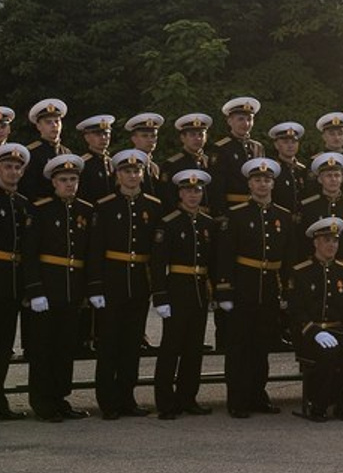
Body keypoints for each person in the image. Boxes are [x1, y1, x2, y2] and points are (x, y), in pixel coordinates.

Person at [87, 148, 165, 419]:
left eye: (136, 171)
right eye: (126, 171)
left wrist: (158, 289)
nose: (132, 175)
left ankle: (127, 398)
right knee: (109, 345)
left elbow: (156, 253)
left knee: (132, 346)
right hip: (111, 282)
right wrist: (95, 286)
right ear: (117, 175)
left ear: (142, 174)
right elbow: (95, 249)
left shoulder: (153, 206)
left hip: (138, 284)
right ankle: (108, 402)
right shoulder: (105, 205)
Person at [214, 156, 293, 418]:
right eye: (257, 180)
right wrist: (224, 289)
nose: (262, 184)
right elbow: (224, 255)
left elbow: (287, 259)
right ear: (249, 184)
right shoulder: (236, 215)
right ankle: (237, 400)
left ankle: (258, 395)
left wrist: (287, 290)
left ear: (273, 183)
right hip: (243, 287)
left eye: (267, 180)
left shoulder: (283, 216)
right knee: (238, 348)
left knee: (261, 347)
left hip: (269, 288)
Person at [21, 152, 92, 421]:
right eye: (64, 180)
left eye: (73, 179)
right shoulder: (40, 210)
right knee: (43, 348)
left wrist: (86, 290)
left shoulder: (85, 211)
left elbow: (87, 254)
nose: (70, 184)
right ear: (54, 182)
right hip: (47, 290)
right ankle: (42, 402)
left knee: (65, 347)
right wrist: (35, 290)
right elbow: (30, 254)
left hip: (72, 289)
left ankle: (60, 398)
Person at [149, 167, 216, 419]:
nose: (193, 195)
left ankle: (188, 397)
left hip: (199, 290)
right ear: (180, 193)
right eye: (188, 190)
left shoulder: (208, 223)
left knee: (193, 349)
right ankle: (166, 403)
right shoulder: (169, 223)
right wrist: (160, 296)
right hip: (177, 289)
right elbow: (158, 263)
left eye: (197, 190)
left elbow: (213, 261)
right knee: (171, 348)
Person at [289, 217, 343, 422]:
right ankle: (318, 404)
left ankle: (342, 402)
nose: (331, 245)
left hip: (337, 330)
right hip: (310, 333)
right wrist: (314, 331)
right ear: (316, 243)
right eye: (326, 240)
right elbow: (296, 311)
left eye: (335, 241)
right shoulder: (301, 272)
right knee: (327, 351)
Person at [0, 142, 30, 419]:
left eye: (17, 167)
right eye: (7, 166)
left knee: (5, 343)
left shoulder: (22, 204)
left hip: (14, 281)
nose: (12, 171)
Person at [208, 96, 264, 216]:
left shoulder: (257, 147)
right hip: (232, 208)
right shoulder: (221, 148)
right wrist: (220, 213)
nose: (246, 123)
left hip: (256, 207)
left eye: (249, 119)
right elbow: (216, 186)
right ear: (230, 121)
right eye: (241, 119)